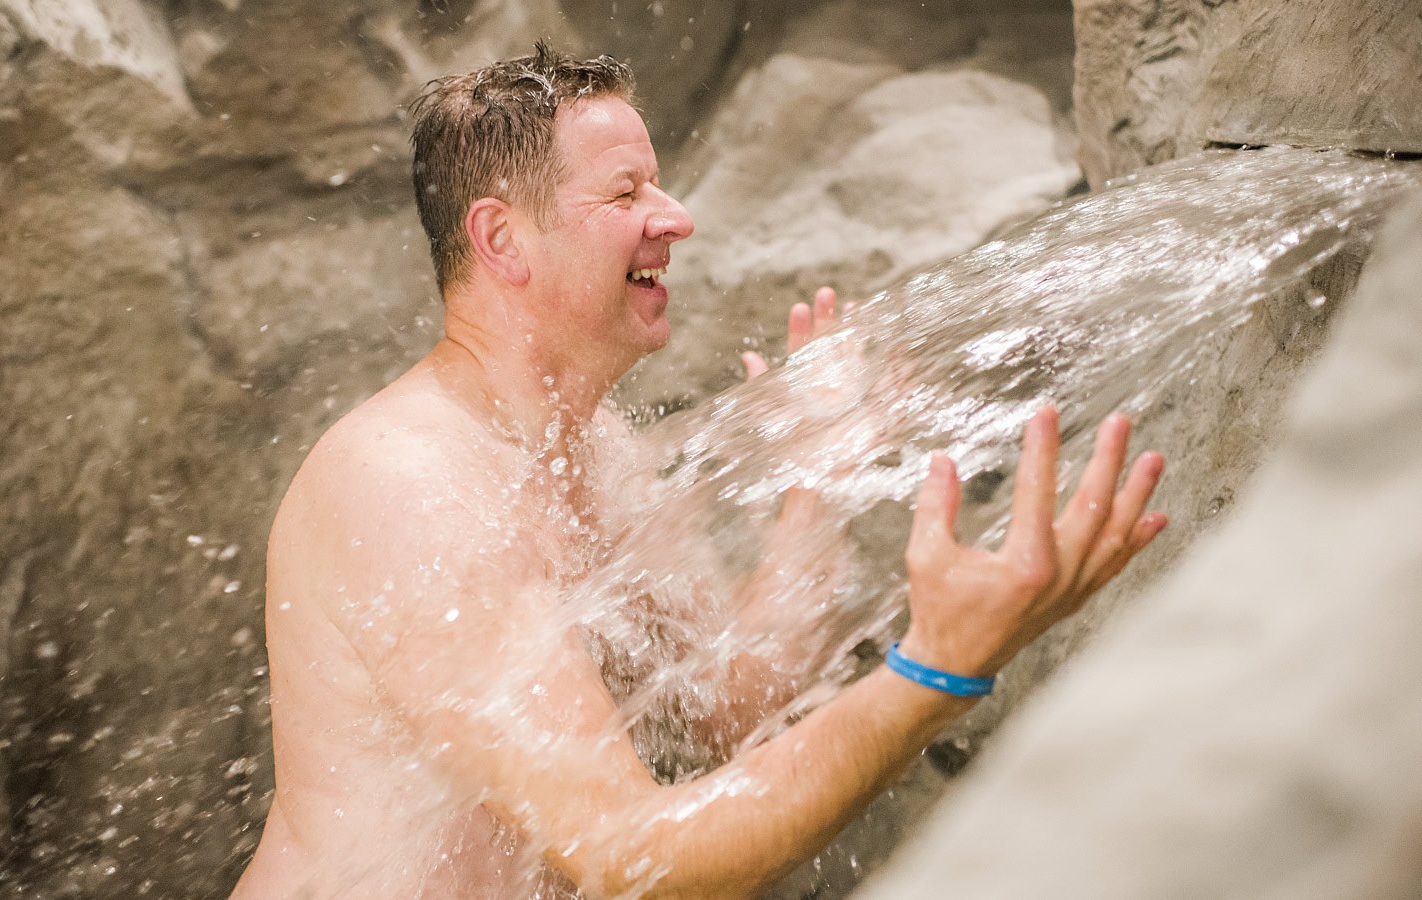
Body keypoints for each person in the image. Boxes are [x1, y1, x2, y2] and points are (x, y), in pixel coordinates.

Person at [230, 44, 1167, 900]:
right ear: (503, 239)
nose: (675, 218)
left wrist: (817, 487)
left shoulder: (600, 448)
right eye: (627, 192)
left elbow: (730, 705)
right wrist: (937, 671)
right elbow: (630, 854)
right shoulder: (408, 483)